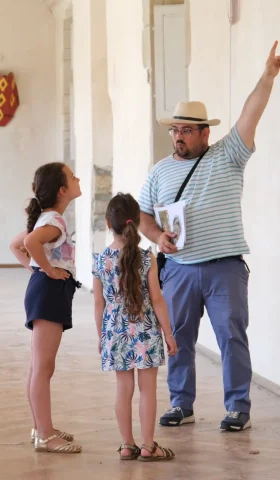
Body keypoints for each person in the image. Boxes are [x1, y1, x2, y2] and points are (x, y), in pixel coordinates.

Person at [138, 42, 280, 432]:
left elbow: (250, 114)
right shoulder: (160, 171)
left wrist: (267, 76)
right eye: (174, 130)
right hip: (179, 270)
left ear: (204, 133)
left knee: (231, 337)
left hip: (224, 268)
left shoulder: (228, 155)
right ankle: (181, 404)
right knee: (178, 338)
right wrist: (157, 238)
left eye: (186, 130)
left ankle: (238, 407)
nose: (178, 136)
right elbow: (142, 216)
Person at [92, 193, 177, 462]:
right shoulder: (146, 258)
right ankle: (149, 446)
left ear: (108, 223)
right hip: (146, 330)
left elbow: (99, 304)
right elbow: (157, 299)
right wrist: (168, 333)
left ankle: (127, 445)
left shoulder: (100, 261)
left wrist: (101, 336)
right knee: (147, 389)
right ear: (138, 222)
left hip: (115, 332)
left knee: (123, 388)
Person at [10, 162, 82, 453]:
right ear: (63, 190)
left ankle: (42, 428)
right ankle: (44, 436)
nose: (78, 178)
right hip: (50, 292)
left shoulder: (46, 217)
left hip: (46, 290)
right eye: (72, 176)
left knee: (39, 366)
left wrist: (38, 269)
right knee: (43, 367)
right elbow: (28, 242)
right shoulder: (54, 221)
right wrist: (48, 271)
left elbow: (16, 245)